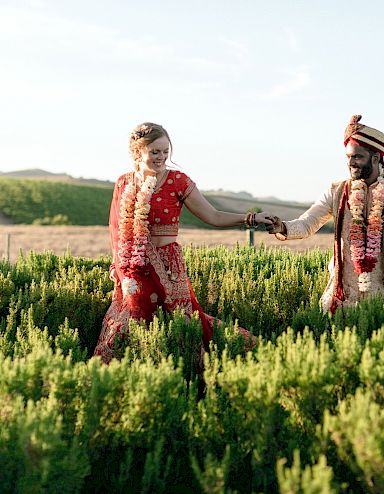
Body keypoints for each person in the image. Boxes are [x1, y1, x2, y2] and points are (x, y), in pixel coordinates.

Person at [94, 122, 271, 363]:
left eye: (166, 151)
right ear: (138, 152)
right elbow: (115, 229)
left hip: (168, 265)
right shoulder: (124, 183)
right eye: (155, 152)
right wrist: (119, 269)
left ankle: (191, 371)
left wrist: (251, 218)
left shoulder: (177, 181)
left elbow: (213, 216)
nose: (161, 157)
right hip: (134, 267)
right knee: (129, 321)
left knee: (180, 320)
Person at [267, 114, 384, 313]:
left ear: (376, 157)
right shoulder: (336, 192)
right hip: (341, 295)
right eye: (348, 157)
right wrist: (282, 227)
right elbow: (307, 223)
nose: (350, 163)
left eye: (357, 156)